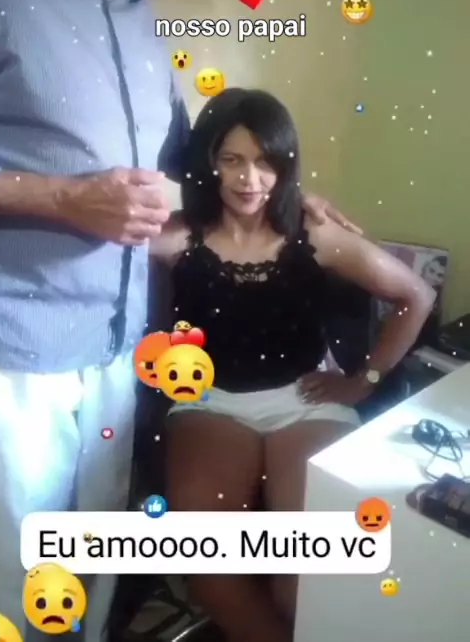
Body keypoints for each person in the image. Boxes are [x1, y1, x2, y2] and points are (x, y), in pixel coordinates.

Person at [0, 0, 360, 639]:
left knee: (91, 563)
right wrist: (59, 197)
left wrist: (286, 198)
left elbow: (186, 164)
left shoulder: (135, 12)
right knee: (17, 576)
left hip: (119, 347)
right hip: (14, 349)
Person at [148, 88, 436, 642]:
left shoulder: (316, 234)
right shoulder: (179, 236)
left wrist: (364, 381)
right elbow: (100, 245)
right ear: (209, 162)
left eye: (266, 162)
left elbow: (416, 296)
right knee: (208, 565)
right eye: (232, 159)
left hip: (303, 401)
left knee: (306, 578)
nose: (249, 178)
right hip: (211, 401)